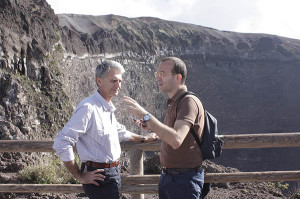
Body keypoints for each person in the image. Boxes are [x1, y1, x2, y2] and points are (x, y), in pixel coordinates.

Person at [53, 60, 158, 199]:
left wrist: (144, 138)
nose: (118, 85)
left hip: (112, 173)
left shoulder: (107, 108)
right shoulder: (88, 108)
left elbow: (119, 132)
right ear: (99, 81)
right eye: (113, 81)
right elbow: (62, 141)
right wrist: (79, 176)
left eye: (120, 81)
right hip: (98, 176)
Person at [122, 57, 205, 199]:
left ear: (178, 77)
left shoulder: (188, 102)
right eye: (157, 74)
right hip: (170, 177)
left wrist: (145, 115)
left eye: (163, 74)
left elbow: (176, 139)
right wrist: (151, 127)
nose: (158, 78)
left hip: (183, 180)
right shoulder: (174, 101)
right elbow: (171, 132)